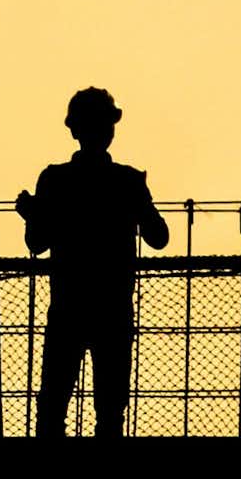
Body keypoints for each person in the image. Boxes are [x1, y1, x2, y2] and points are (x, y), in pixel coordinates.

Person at [18, 87, 169, 439]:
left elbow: (36, 243)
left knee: (52, 409)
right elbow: (159, 238)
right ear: (110, 129)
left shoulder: (55, 180)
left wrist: (33, 215)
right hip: (113, 309)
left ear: (74, 129)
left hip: (68, 307)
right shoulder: (128, 181)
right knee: (111, 411)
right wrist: (138, 205)